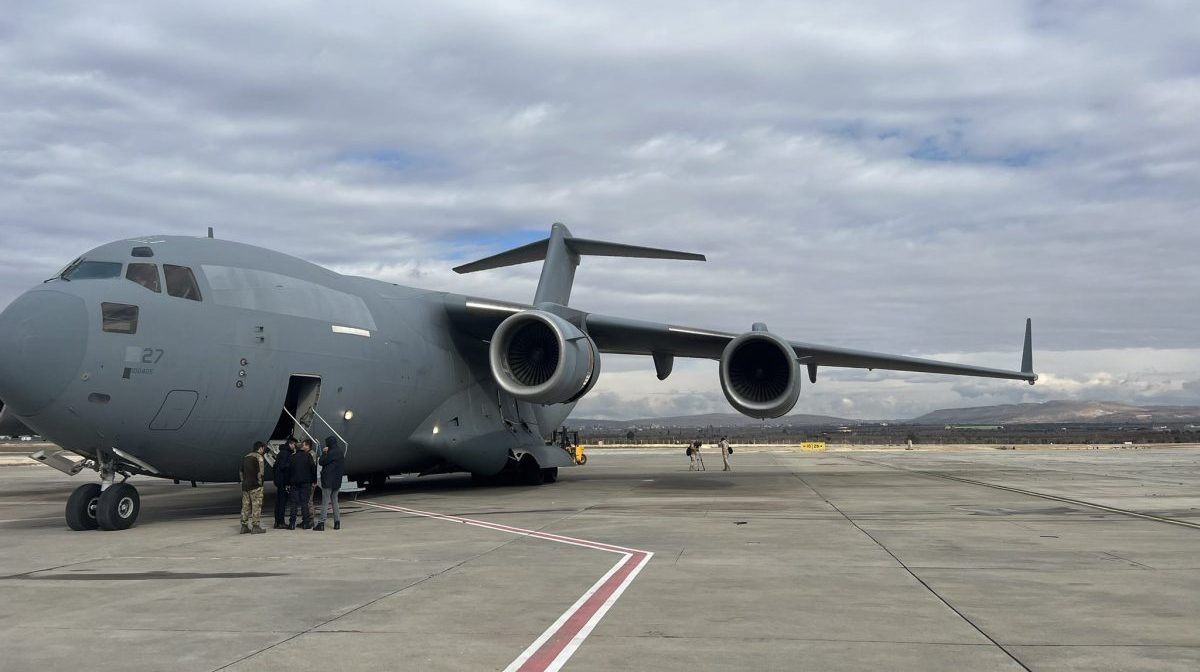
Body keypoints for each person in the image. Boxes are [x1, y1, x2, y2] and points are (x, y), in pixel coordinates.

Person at [316, 436, 345, 531]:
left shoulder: (331, 452)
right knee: (335, 501)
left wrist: (324, 453)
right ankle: (337, 523)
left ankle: (321, 523)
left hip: (328, 481)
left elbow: (321, 462)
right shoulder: (340, 452)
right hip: (337, 481)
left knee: (325, 502)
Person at [287, 439, 318, 529]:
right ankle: (306, 523)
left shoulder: (292, 457)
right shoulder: (308, 456)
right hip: (306, 483)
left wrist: (289, 482)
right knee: (305, 502)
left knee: (294, 503)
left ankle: (292, 523)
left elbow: (288, 470)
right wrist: (314, 480)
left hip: (294, 483)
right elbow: (313, 469)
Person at [239, 441, 268, 534]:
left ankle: (244, 526)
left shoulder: (246, 457)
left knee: (245, 506)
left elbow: (241, 472)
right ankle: (256, 526)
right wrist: (260, 484)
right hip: (255, 486)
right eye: (263, 448)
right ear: (260, 448)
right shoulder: (259, 457)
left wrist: (244, 482)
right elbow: (261, 473)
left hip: (245, 486)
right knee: (256, 506)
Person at [272, 437, 296, 529]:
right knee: (282, 502)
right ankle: (281, 522)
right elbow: (284, 467)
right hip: (283, 481)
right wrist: (287, 482)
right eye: (294, 445)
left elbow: (275, 467)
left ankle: (276, 521)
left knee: (278, 501)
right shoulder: (287, 454)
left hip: (279, 481)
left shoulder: (280, 453)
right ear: (290, 444)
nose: (294, 447)